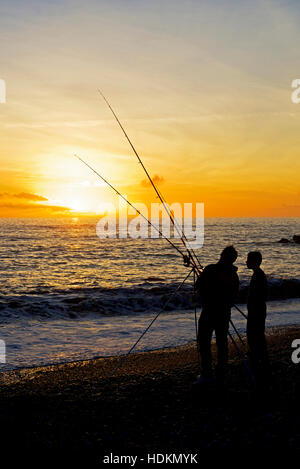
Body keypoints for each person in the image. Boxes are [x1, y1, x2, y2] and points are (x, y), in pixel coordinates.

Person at [196, 246, 239, 385]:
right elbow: (234, 295)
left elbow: (198, 287)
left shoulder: (210, 269)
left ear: (221, 255)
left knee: (204, 342)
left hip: (209, 312)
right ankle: (221, 371)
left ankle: (207, 374)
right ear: (233, 259)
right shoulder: (234, 275)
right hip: (224, 313)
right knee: (222, 343)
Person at [246, 251, 269, 383]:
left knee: (255, 334)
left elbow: (259, 296)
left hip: (257, 311)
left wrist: (253, 307)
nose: (246, 262)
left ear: (255, 262)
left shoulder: (259, 275)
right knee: (257, 335)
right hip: (257, 310)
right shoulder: (258, 274)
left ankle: (257, 357)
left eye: (248, 260)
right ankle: (259, 357)